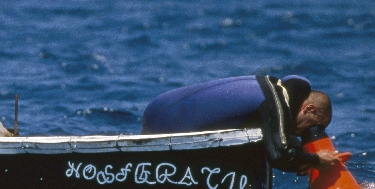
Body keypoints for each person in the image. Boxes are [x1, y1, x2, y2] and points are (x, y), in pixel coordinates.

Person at [141, 74, 340, 173]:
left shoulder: (270, 86)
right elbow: (280, 156)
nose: (302, 133)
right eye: (312, 126)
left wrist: (302, 159)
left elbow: (278, 141)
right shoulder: (275, 101)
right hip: (163, 122)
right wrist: (316, 160)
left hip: (158, 110)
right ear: (309, 109)